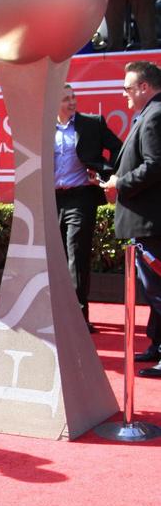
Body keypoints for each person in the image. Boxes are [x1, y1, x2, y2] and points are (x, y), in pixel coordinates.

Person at [102, 60, 161, 377]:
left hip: (151, 222)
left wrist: (119, 183)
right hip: (148, 220)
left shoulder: (155, 116)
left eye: (127, 87)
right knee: (153, 291)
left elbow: (155, 165)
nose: (123, 93)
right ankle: (157, 345)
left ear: (144, 87)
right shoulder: (150, 114)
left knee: (157, 289)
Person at [54, 83, 122, 331]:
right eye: (65, 99)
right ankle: (58, 312)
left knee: (77, 254)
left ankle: (79, 315)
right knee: (56, 257)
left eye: (73, 97)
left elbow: (119, 149)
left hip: (81, 197)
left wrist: (106, 173)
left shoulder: (91, 123)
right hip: (52, 199)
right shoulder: (42, 128)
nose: (71, 102)